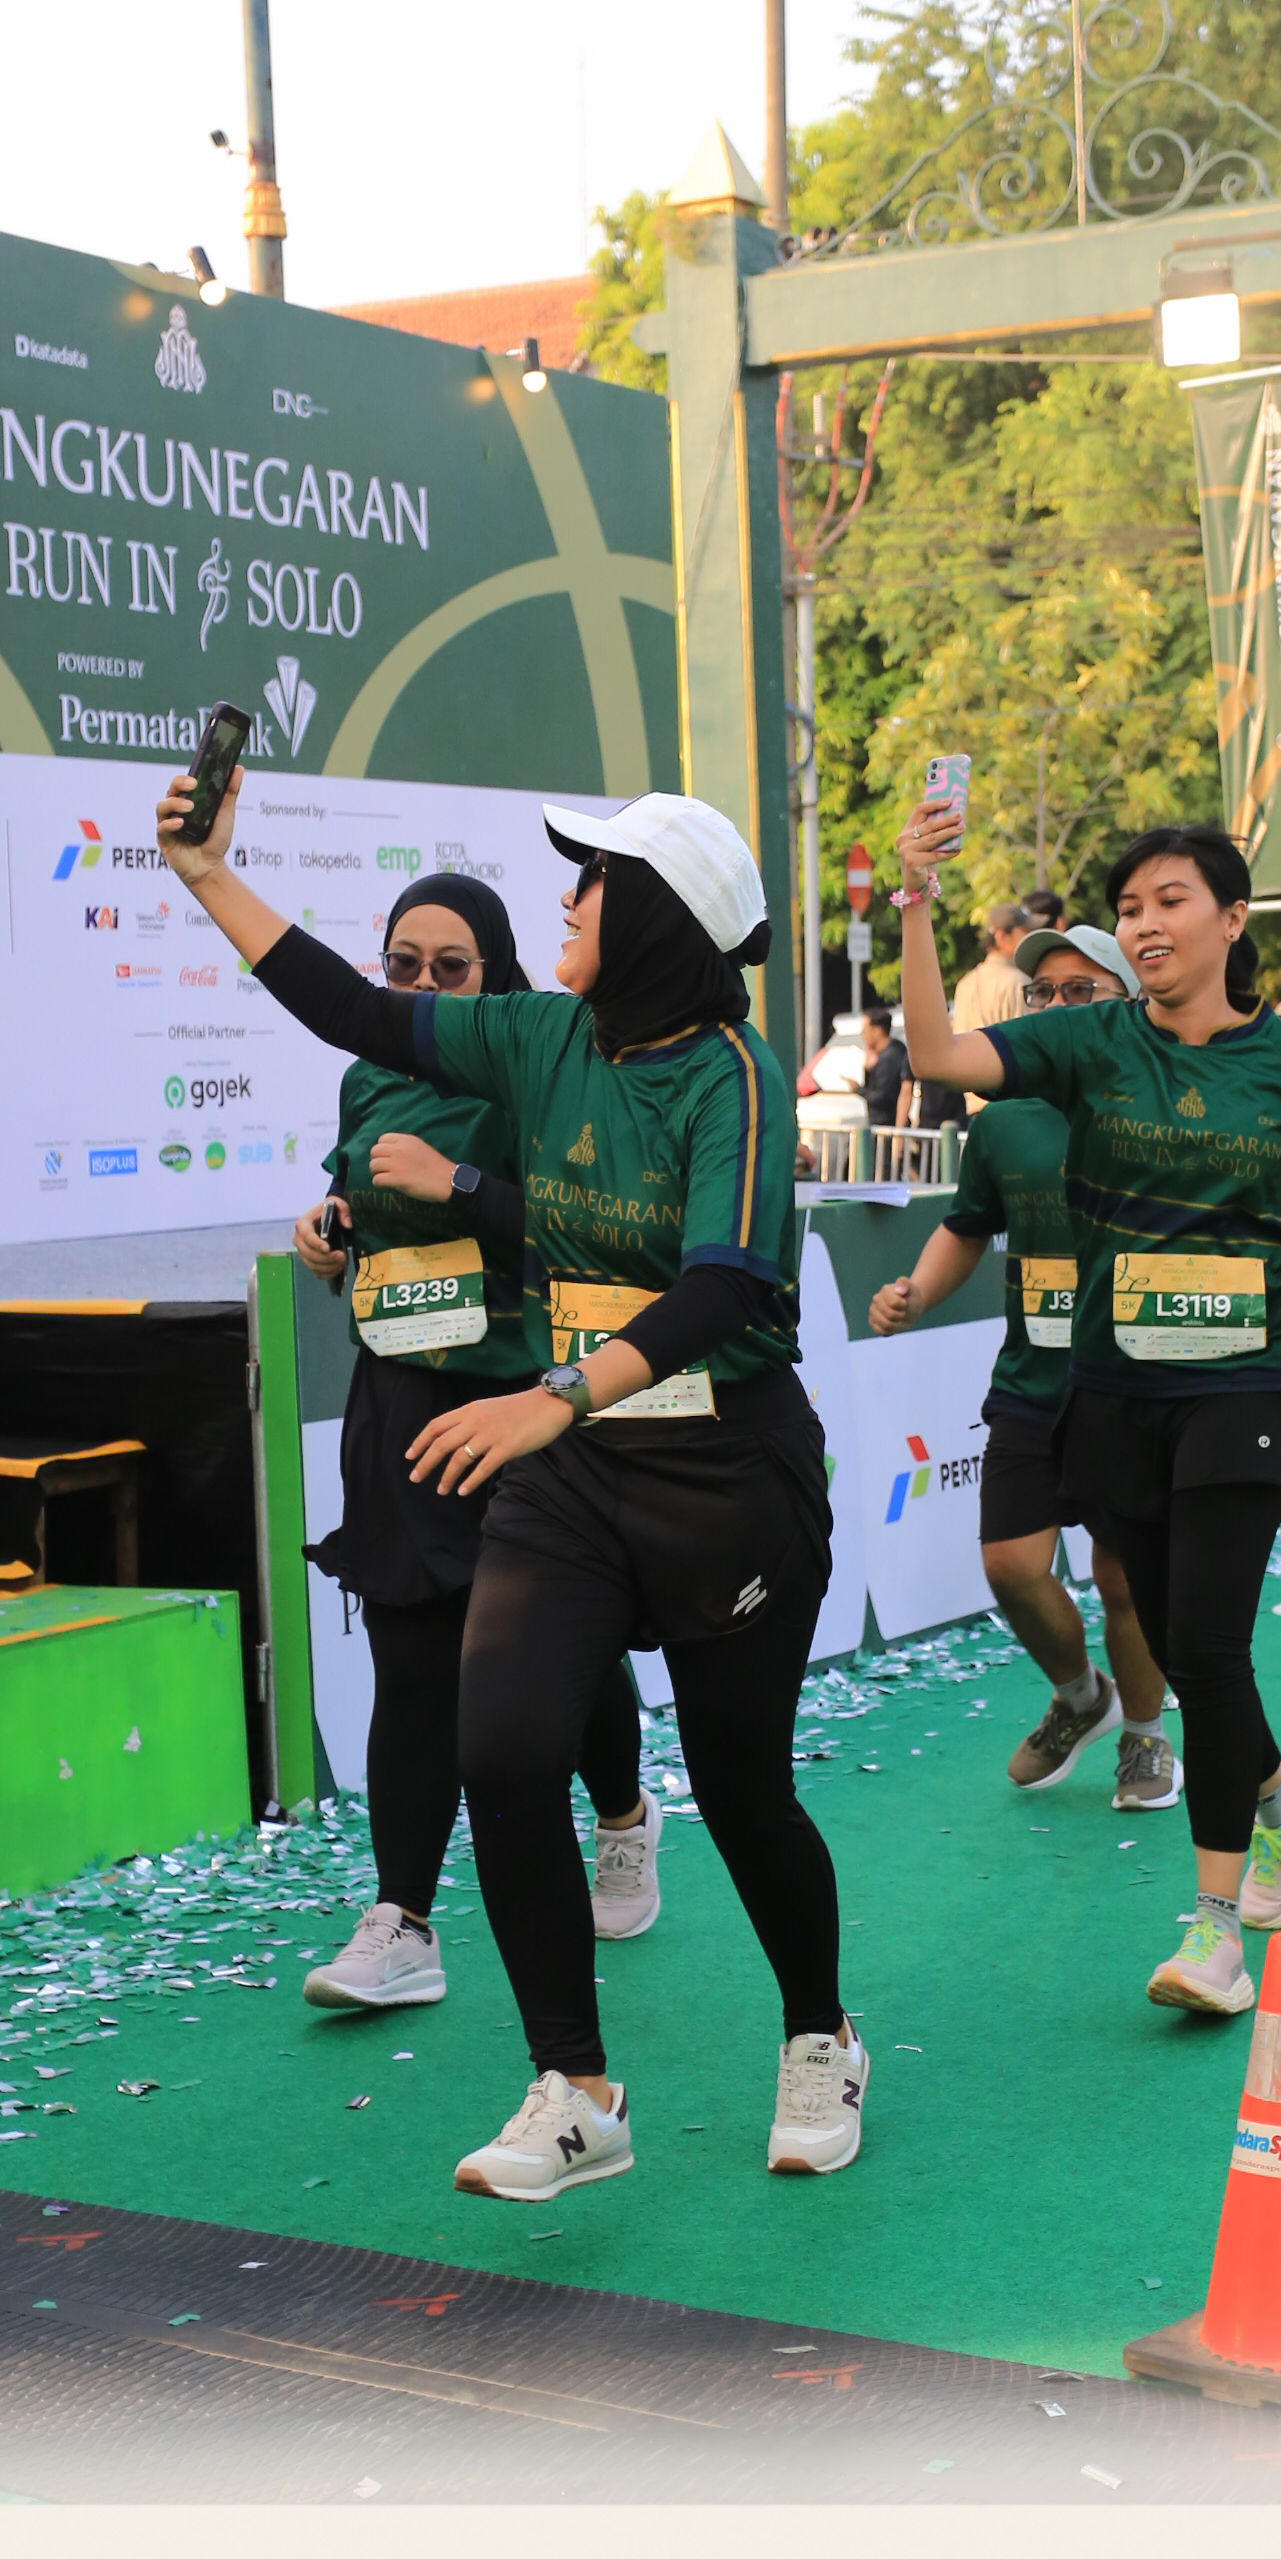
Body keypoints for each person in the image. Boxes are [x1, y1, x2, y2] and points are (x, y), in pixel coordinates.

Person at [161, 769, 862, 2197]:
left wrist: (554, 1393)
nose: (565, 899)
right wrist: (207, 874)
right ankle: (575, 2089)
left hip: (725, 1471)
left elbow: (726, 1285)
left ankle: (818, 2034)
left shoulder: (733, 1073)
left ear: (654, 916)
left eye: (590, 882)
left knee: (742, 1792)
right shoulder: (543, 1033)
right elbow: (356, 1012)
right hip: (576, 1471)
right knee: (504, 1752)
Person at [894, 804, 1281, 2022]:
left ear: (1231, 919)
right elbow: (934, 1054)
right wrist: (916, 900)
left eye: (1168, 901)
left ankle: (1213, 1931)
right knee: (1180, 1646)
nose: (1144, 924)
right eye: (1127, 908)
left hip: (1244, 1381)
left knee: (1210, 1648)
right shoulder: (1088, 1040)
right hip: (1115, 1386)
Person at [289, 874, 654, 2015]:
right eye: (403, 966)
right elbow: (360, 1209)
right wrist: (326, 1234)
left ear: (495, 973)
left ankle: (623, 1816)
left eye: (452, 967)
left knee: (560, 1653)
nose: (424, 985)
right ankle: (402, 1920)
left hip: (522, 1404)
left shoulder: (539, 1070)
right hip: (398, 1402)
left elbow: (589, 1237)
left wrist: (458, 1183)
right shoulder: (367, 1075)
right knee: (409, 1663)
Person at [867, 921, 1178, 1814]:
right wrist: (916, 1292)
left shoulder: (1163, 1102)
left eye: (1082, 991)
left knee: (1123, 1580)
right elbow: (967, 1227)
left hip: (1135, 1388)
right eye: (1042, 992)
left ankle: (1145, 1738)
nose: (1056, 1007)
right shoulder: (1001, 1120)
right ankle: (1081, 1697)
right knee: (1009, 1565)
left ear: (1128, 1001)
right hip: (1032, 1386)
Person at [950, 898, 1038, 1031]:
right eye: (1025, 931)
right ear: (1002, 936)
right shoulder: (1019, 983)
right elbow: (1024, 1039)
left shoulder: (964, 984)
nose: (1030, 936)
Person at [856, 1003, 910, 1129]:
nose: (863, 1036)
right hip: (879, 1122)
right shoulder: (889, 1051)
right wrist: (868, 1069)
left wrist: (858, 1089)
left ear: (877, 1031)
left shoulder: (890, 1057)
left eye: (864, 1031)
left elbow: (883, 1097)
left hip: (886, 1125)